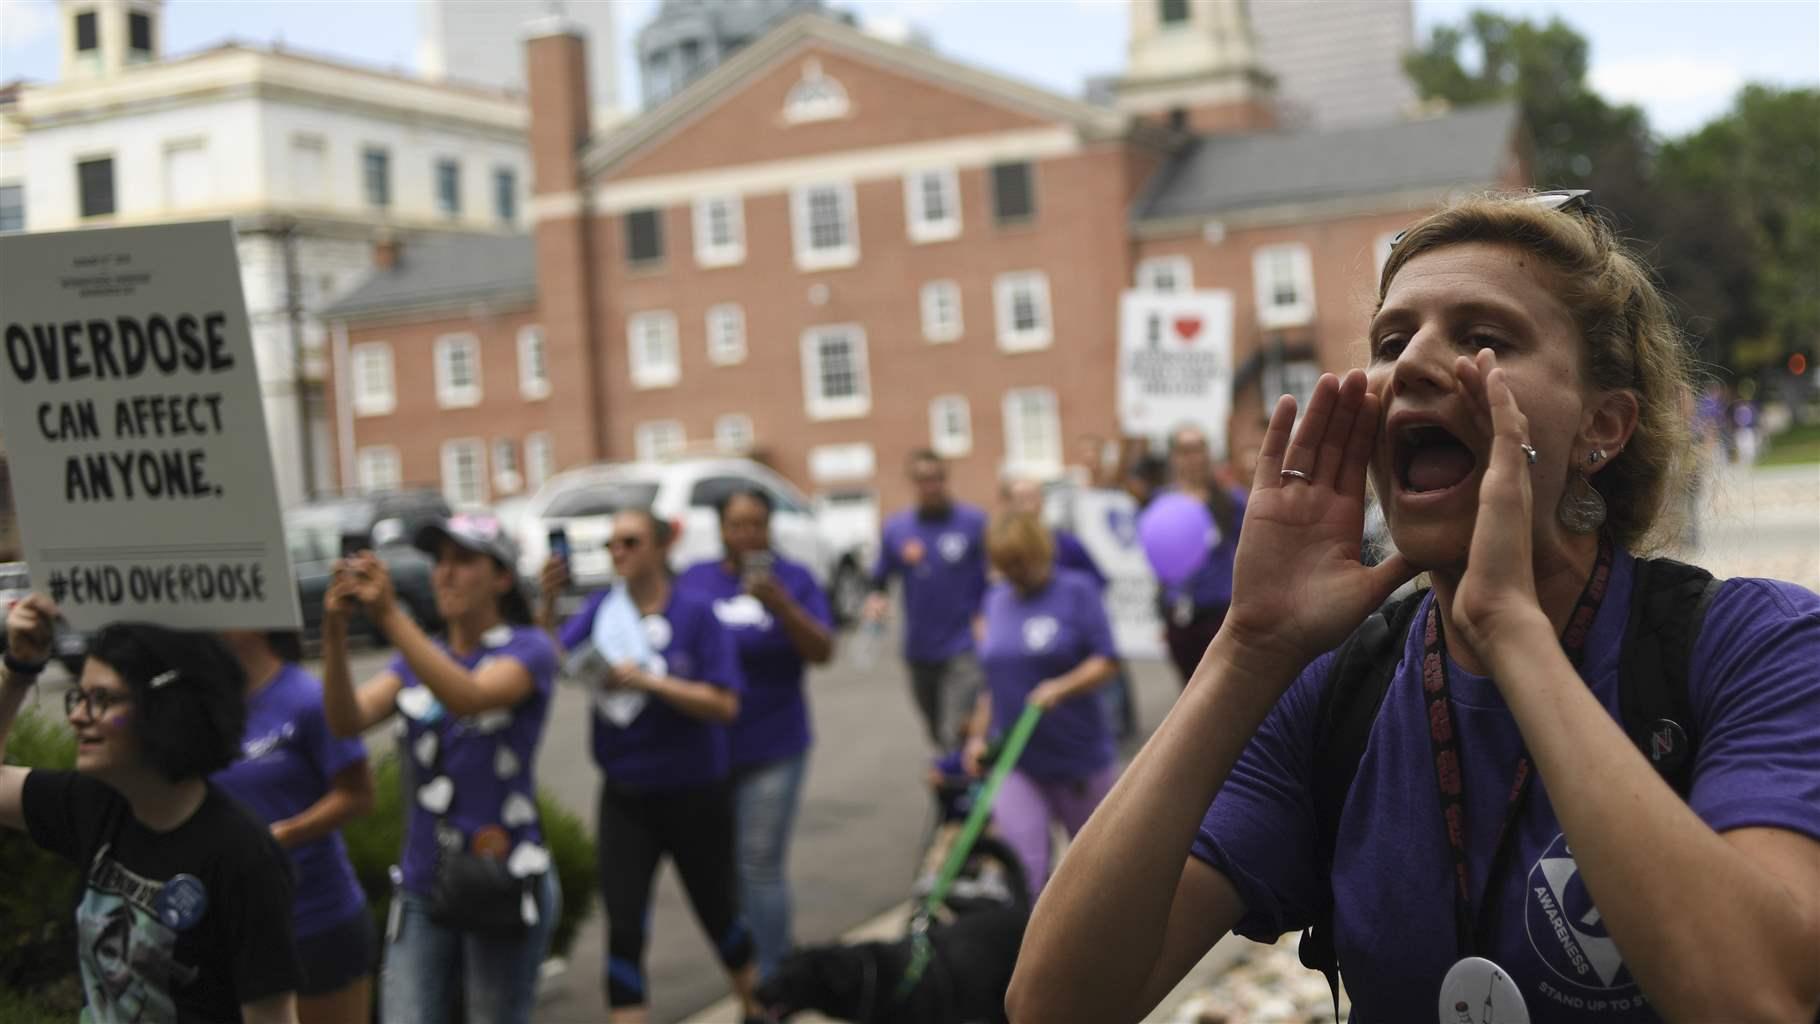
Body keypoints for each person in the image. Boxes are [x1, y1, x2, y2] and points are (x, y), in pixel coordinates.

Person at [1008, 192, 1820, 1022]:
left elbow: (1762, 998)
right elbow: (1056, 1003)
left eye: (1484, 338)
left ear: (1600, 428)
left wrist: (1510, 629)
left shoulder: (1755, 648)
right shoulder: (1337, 695)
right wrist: (1248, 647)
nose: (1411, 365)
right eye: (1392, 342)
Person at [0, 600, 303, 1023]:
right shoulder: (92, 802)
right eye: (79, 697)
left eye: (101, 699)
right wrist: (18, 672)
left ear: (165, 709)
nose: (78, 716)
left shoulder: (243, 858)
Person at [319, 513, 560, 1024]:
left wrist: (389, 617)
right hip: (423, 881)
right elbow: (346, 720)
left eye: (464, 561)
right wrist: (335, 633)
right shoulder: (417, 659)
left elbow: (469, 696)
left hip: (502, 875)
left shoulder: (529, 648)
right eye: (440, 562)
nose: (445, 574)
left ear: (500, 577)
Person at [538, 508, 763, 1024]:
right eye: (612, 544)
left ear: (661, 548)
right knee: (623, 926)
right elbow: (552, 663)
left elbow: (725, 705)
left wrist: (650, 682)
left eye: (631, 542)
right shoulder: (602, 608)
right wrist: (548, 603)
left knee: (720, 915)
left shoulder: (698, 613)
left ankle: (757, 1008)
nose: (618, 552)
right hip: (626, 795)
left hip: (695, 793)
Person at [676, 488, 834, 981]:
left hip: (775, 745)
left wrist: (783, 608)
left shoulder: (795, 579)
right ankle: (749, 976)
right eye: (737, 525)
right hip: (708, 751)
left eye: (757, 524)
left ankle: (775, 982)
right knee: (722, 872)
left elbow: (823, 651)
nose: (747, 535)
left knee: (758, 865)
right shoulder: (696, 582)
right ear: (720, 529)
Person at [214, 630, 376, 1024]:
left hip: (316, 923)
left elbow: (358, 795)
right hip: (230, 933)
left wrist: (282, 836)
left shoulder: (306, 698)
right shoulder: (205, 706)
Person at [963, 513, 1120, 904]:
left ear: (1040, 551)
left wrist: (1061, 687)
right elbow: (993, 680)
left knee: (1099, 870)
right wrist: (978, 737)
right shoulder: (996, 600)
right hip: (1017, 760)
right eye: (1005, 563)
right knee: (1024, 869)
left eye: (1020, 561)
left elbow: (1108, 660)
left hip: (1077, 758)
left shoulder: (1077, 591)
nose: (1014, 572)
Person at [861, 450, 990, 749]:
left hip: (964, 645)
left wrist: (986, 619)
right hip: (919, 649)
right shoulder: (897, 528)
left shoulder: (974, 522)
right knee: (935, 729)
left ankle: (968, 791)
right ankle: (957, 782)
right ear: (913, 483)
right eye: (922, 480)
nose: (930, 486)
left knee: (955, 729)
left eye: (935, 479)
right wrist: (876, 600)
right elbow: (879, 578)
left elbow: (993, 580)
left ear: (945, 480)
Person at [1157, 425, 1246, 685]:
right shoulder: (1164, 502)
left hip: (1220, 613)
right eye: (1185, 450)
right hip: (1180, 616)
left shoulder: (1230, 501)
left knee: (1225, 687)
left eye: (1199, 448)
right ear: (1174, 457)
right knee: (1190, 690)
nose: (1193, 457)